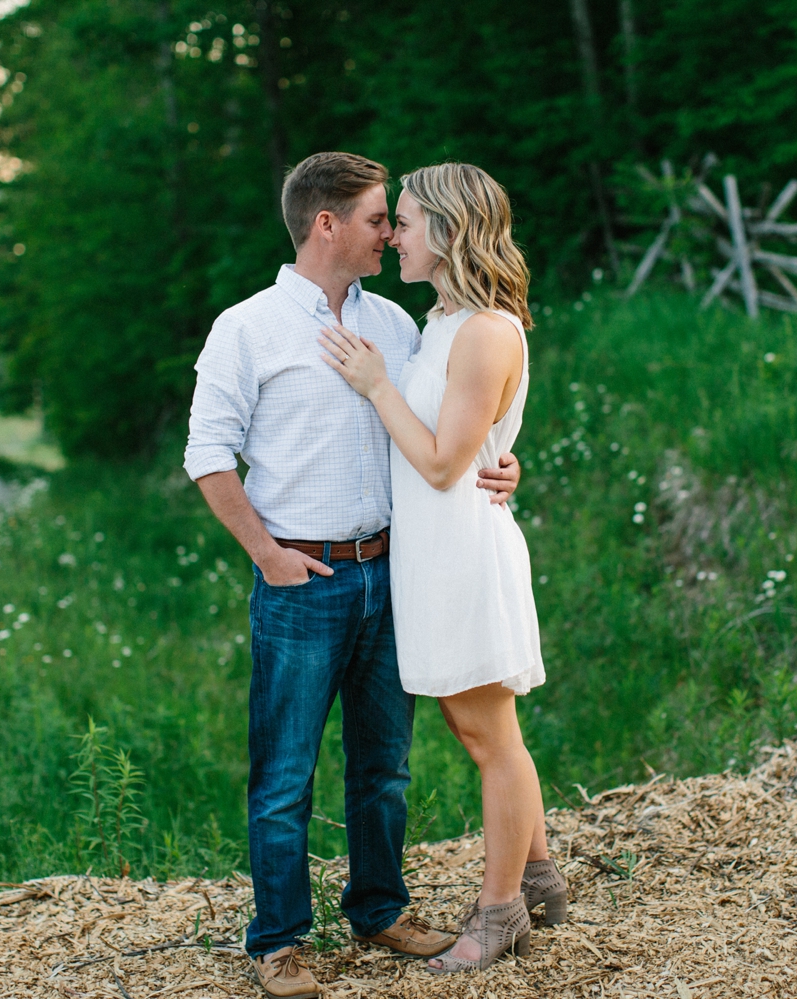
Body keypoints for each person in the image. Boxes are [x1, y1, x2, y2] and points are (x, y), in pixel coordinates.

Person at [183, 151, 523, 999]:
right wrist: (266, 554)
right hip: (303, 579)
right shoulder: (247, 327)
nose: (389, 232)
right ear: (326, 224)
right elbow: (205, 454)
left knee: (384, 766)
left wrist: (502, 461)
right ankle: (280, 940)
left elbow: (444, 427)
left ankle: (378, 909)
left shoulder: (403, 324)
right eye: (379, 218)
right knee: (285, 771)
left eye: (396, 220)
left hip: (390, 572)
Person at [318, 162, 565, 974]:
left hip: (463, 555)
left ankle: (500, 914)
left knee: (491, 737)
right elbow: (473, 435)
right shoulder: (447, 321)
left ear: (451, 232)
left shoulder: (487, 329)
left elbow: (440, 462)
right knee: (478, 729)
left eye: (411, 221)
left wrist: (375, 383)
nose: (395, 235)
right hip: (434, 556)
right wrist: (503, 451)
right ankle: (540, 876)